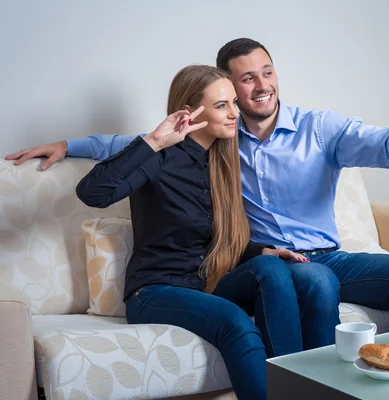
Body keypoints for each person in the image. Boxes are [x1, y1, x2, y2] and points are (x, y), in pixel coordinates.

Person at [6, 38, 389, 349]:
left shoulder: (320, 129)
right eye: (247, 78)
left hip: (329, 255)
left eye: (267, 72)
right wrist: (70, 145)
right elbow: (135, 145)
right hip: (271, 261)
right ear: (228, 89)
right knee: (315, 282)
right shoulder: (218, 139)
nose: (262, 85)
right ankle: (324, 386)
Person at [75, 64, 313, 400]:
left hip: (207, 284)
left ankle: (294, 389)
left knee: (273, 268)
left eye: (233, 102)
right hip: (155, 291)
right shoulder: (158, 157)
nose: (234, 113)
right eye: (222, 106)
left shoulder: (221, 161)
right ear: (190, 111)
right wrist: (155, 140)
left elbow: (213, 237)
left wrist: (263, 252)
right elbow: (93, 193)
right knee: (236, 322)